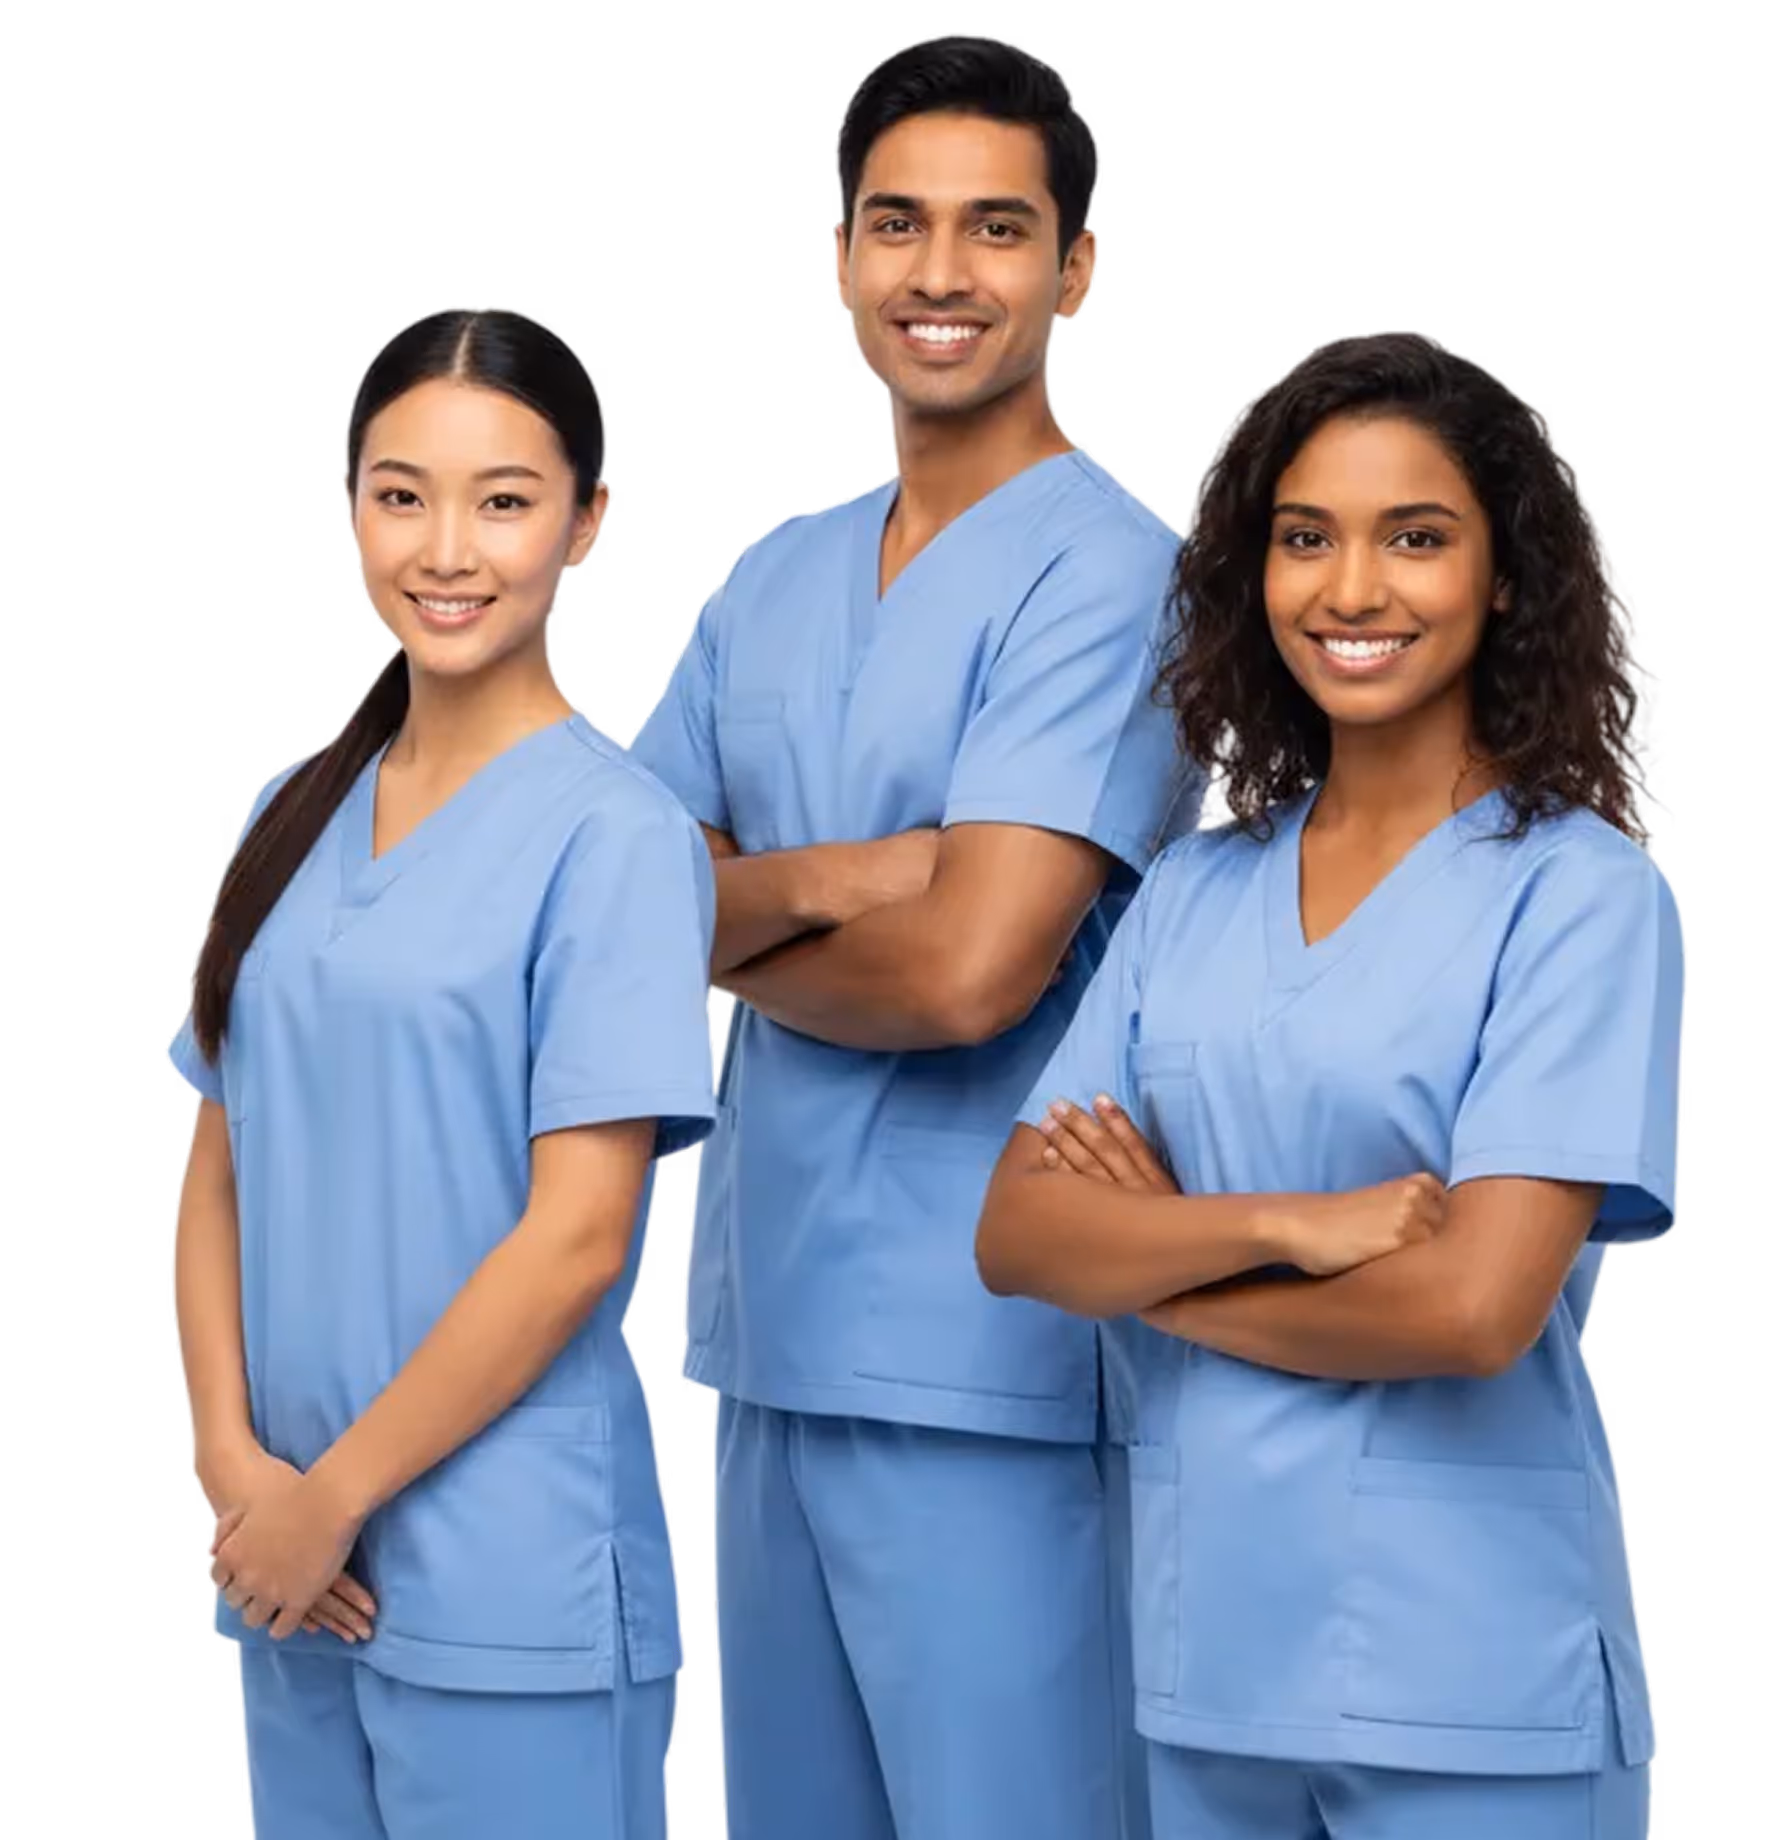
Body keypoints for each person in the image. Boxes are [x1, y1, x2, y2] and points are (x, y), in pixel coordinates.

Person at [976, 328, 1682, 1840]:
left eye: (1414, 538)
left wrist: (1161, 1279)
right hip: (1208, 1672)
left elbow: (1470, 1310)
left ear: (1505, 577)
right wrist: (1296, 1224)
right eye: (1307, 538)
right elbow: (1023, 1233)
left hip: (1473, 1679)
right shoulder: (1193, 890)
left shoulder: (1582, 897)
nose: (1351, 589)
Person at [627, 33, 1199, 1840]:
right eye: (898, 223)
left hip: (994, 1365)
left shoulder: (1117, 575)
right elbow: (605, 907)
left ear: (1075, 270)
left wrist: (737, 906)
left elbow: (970, 974)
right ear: (839, 257)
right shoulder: (773, 571)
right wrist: (862, 874)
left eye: (995, 228)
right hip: (764, 1343)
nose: (939, 272)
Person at [165, 305, 716, 1838]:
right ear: (349, 504)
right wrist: (233, 1467)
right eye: (402, 495)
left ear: (586, 524)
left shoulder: (616, 837)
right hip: (283, 1570)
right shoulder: (286, 809)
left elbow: (578, 1238)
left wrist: (333, 1495)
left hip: (508, 1584)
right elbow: (219, 1169)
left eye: (505, 500)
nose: (447, 550)